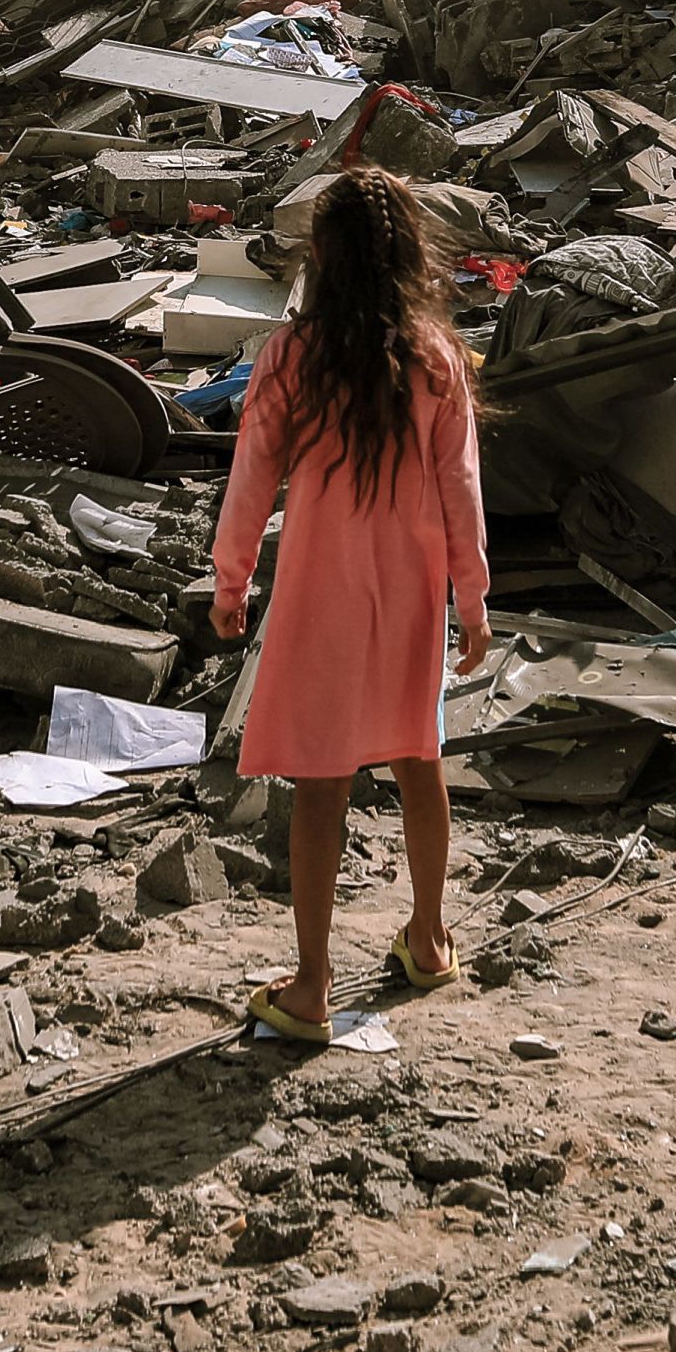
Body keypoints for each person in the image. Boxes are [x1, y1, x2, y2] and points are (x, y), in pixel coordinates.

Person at [208, 164, 491, 1044]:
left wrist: (231, 581)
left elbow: (251, 474)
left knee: (321, 782)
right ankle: (431, 938)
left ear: (323, 256)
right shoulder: (437, 356)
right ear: (406, 253)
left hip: (322, 590)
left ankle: (311, 985)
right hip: (411, 590)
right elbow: (462, 488)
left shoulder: (292, 356)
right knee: (419, 755)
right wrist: (473, 600)